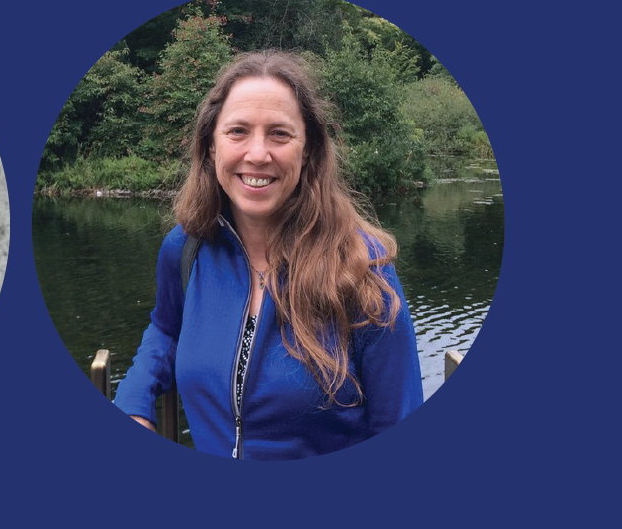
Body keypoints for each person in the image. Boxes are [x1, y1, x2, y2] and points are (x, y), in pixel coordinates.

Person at [113, 51, 422, 459]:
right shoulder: (186, 247)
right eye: (238, 131)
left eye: (279, 134)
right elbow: (166, 328)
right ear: (210, 147)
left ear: (308, 150)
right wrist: (135, 402)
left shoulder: (364, 268)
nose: (258, 154)